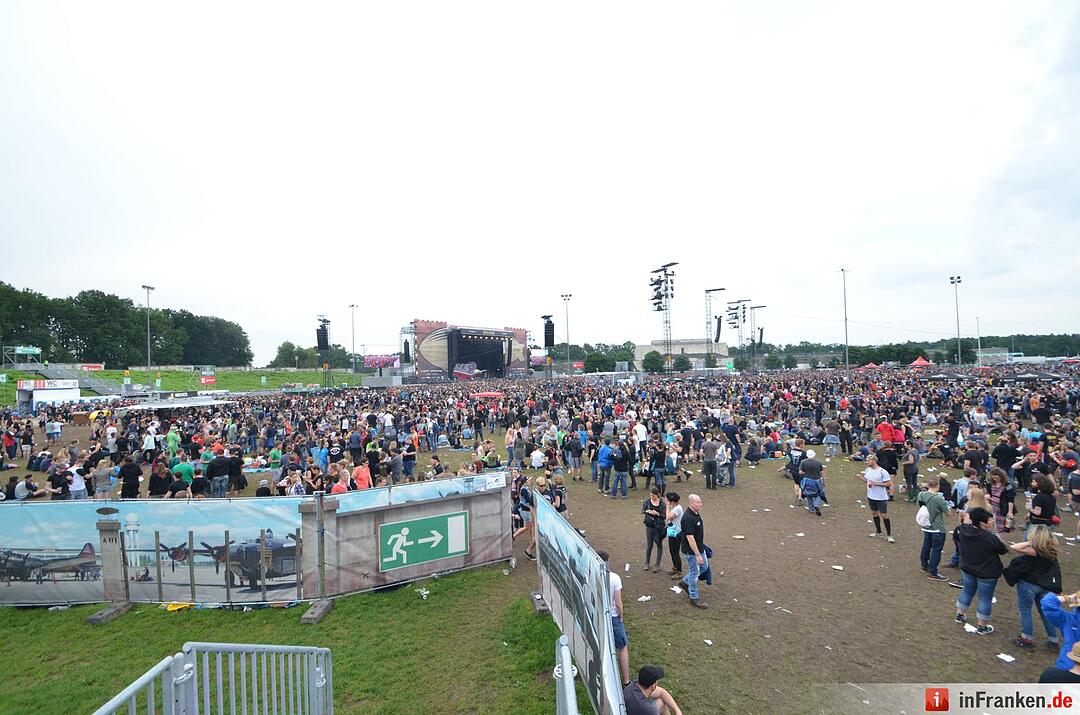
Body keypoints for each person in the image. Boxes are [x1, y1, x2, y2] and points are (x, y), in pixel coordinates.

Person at [1004, 525, 1062, 651]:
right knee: (1044, 612)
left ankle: (1027, 639)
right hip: (1044, 585)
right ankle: (1053, 640)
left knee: (1026, 610)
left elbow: (1014, 547)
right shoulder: (1051, 551)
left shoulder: (1034, 550)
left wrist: (1031, 542)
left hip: (1029, 584)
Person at [954, 507, 1009, 634]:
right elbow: (1003, 549)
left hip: (967, 568)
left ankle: (959, 615)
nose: (993, 522)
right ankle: (982, 626)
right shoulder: (989, 538)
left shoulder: (964, 530)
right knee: (985, 598)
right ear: (982, 522)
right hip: (986, 573)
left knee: (967, 591)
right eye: (990, 520)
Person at [597, 549, 631, 688]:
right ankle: (626, 680)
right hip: (612, 617)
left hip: (597, 614)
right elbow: (618, 603)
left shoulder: (590, 575)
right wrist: (621, 617)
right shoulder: (614, 578)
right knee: (622, 647)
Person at [917, 477, 951, 581]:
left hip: (926, 526)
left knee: (926, 545)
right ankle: (933, 571)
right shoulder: (938, 499)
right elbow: (948, 513)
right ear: (938, 486)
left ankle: (924, 565)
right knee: (936, 550)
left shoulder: (921, 494)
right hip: (937, 528)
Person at [679, 493, 708, 609]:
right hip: (691, 552)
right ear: (691, 503)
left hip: (700, 548)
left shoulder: (695, 514)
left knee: (704, 567)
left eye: (700, 502)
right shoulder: (687, 518)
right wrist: (697, 555)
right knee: (694, 572)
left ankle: (685, 582)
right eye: (698, 502)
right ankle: (694, 598)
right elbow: (690, 538)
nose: (701, 504)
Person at [861, 454, 894, 542]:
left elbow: (889, 484)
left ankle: (889, 535)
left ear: (874, 461)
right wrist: (861, 478)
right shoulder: (867, 470)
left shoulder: (882, 471)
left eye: (868, 460)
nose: (866, 462)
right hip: (871, 495)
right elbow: (867, 481)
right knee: (874, 513)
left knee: (884, 515)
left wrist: (876, 484)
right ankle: (878, 532)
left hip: (880, 497)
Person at [641, 487, 666, 572]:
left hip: (659, 527)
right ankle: (647, 563)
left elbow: (664, 516)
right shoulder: (647, 502)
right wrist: (647, 511)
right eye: (651, 495)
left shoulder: (662, 504)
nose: (652, 497)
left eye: (653, 496)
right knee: (649, 545)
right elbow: (642, 511)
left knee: (659, 545)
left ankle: (657, 565)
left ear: (657, 495)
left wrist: (657, 513)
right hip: (649, 526)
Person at [665, 492, 683, 579]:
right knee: (672, 551)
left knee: (675, 552)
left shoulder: (677, 509)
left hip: (677, 534)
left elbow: (668, 517)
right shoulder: (675, 507)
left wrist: (667, 507)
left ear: (671, 501)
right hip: (672, 532)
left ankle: (679, 572)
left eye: (667, 500)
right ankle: (675, 568)